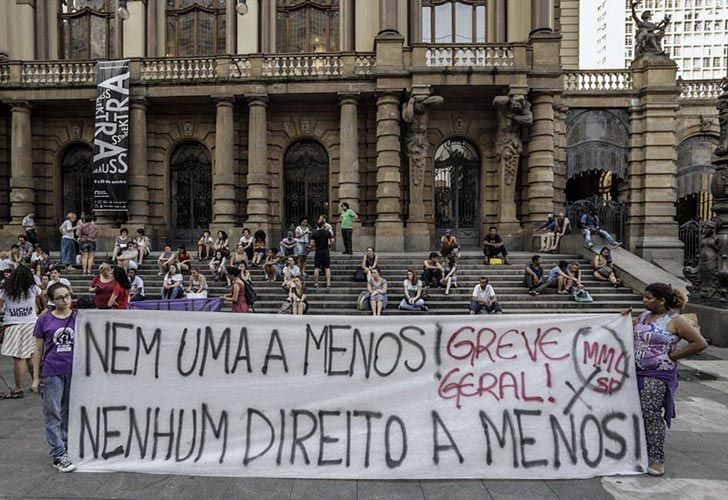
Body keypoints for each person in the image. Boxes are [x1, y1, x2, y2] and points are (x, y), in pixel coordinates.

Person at [629, 283, 707, 476]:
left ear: (661, 301)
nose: (644, 300)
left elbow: (699, 343)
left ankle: (657, 458)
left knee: (651, 413)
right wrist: (623, 318)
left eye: (649, 298)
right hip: (635, 371)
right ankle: (640, 449)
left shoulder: (675, 320)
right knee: (638, 412)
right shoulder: (644, 316)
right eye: (644, 297)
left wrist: (673, 357)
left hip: (658, 374)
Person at [30, 282, 78, 472]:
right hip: (51, 372)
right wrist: (35, 377)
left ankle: (66, 447)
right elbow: (38, 349)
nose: (65, 300)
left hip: (74, 371)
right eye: (60, 297)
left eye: (67, 296)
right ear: (52, 300)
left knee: (69, 412)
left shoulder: (78, 317)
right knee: (53, 413)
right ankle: (58, 454)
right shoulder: (44, 320)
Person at [0, 266, 45, 400]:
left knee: (18, 358)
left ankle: (18, 389)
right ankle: (36, 382)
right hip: (31, 323)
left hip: (12, 324)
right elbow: (44, 301)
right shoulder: (33, 289)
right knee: (31, 356)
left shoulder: (5, 291)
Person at [310, 220, 332, 288]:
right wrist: (329, 244)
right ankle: (328, 283)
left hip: (318, 252)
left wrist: (312, 246)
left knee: (316, 268)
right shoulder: (327, 232)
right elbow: (332, 240)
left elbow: (312, 244)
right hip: (326, 251)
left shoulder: (314, 233)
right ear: (323, 225)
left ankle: (316, 283)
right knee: (327, 268)